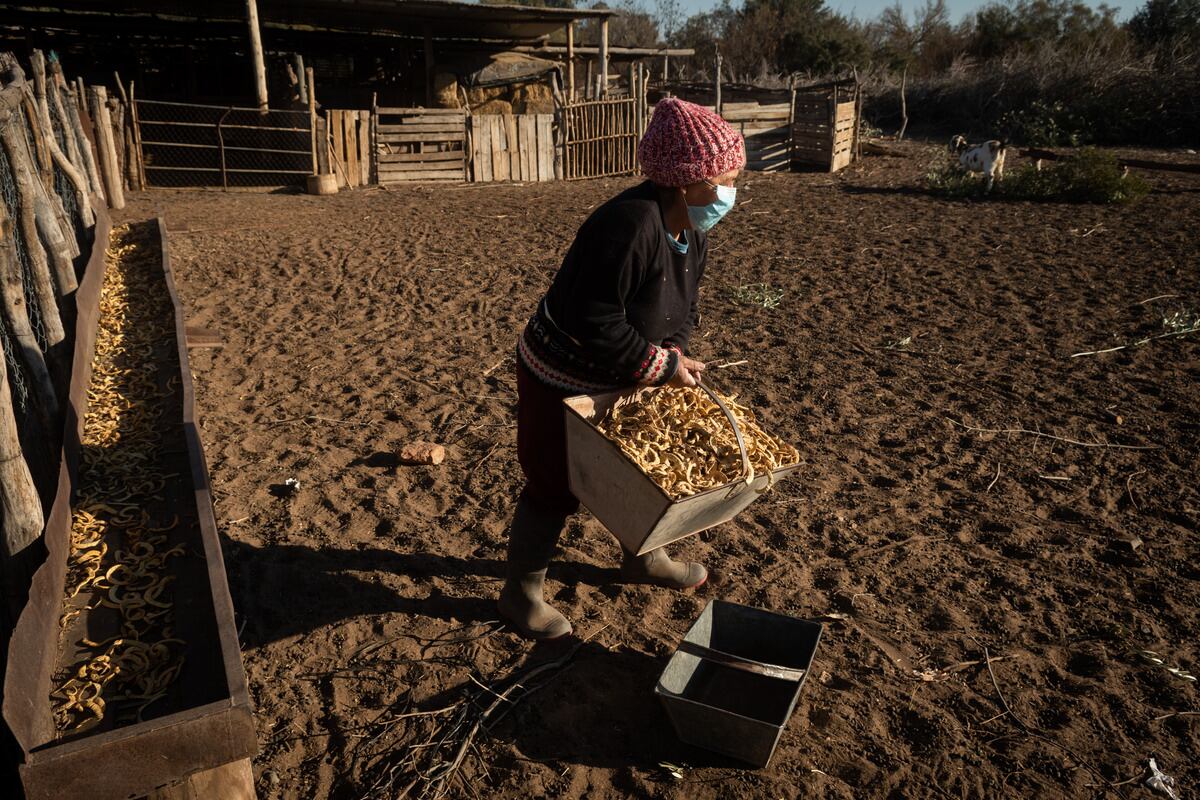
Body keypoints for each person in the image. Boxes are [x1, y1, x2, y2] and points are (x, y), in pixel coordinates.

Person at [498, 98, 745, 639]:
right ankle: (521, 593)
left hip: (625, 368)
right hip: (560, 371)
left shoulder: (692, 234)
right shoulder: (628, 226)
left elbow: (683, 307)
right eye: (726, 179)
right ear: (688, 182)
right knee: (552, 483)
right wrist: (659, 365)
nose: (732, 191)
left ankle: (640, 559)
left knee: (640, 472)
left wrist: (673, 357)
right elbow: (595, 322)